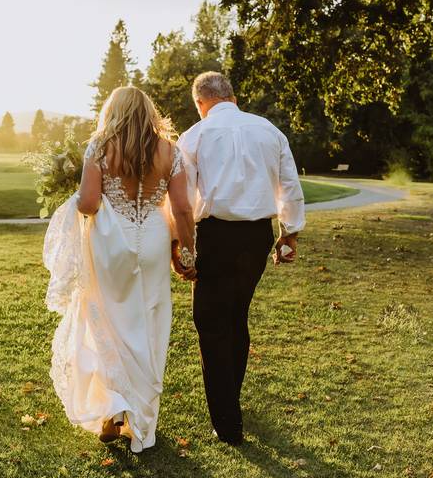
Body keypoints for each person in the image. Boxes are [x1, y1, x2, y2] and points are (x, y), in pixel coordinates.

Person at [43, 86, 196, 453]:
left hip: (112, 243)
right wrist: (188, 252)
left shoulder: (100, 146)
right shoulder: (169, 152)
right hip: (155, 240)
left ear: (112, 112)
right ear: (149, 112)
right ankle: (138, 419)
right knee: (149, 320)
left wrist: (75, 199)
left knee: (109, 322)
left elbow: (90, 202)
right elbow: (182, 210)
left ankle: (111, 415)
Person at [177, 71, 305, 446]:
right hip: (256, 237)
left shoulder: (195, 135)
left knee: (210, 321)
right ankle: (230, 402)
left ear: (201, 103)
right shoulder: (269, 131)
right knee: (235, 315)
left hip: (215, 234)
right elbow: (289, 185)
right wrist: (289, 234)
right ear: (232, 95)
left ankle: (228, 422)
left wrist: (181, 247)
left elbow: (183, 200)